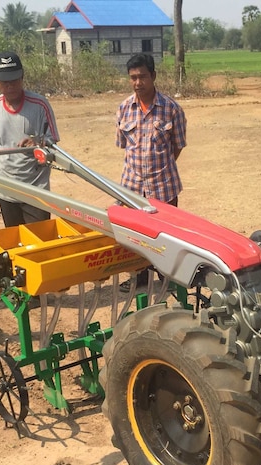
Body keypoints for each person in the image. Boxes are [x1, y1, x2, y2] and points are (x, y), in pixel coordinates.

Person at [115, 53, 187, 291]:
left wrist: (159, 170)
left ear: (153, 76)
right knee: (135, 236)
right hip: (132, 187)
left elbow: (177, 146)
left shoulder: (171, 109)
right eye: (133, 78)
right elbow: (124, 146)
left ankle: (167, 278)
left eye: (143, 76)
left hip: (163, 187)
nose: (138, 83)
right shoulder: (124, 108)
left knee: (166, 237)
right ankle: (139, 277)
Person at [0, 51, 60, 226]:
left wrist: (39, 142)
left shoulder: (40, 105)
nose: (10, 86)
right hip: (6, 191)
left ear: (22, 77)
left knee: (38, 245)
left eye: (14, 80)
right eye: (5, 81)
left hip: (36, 190)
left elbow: (53, 143)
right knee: (15, 245)